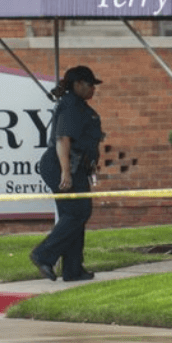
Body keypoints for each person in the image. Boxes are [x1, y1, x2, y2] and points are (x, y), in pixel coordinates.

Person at [30, 65, 104, 282]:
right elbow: (63, 139)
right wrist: (65, 172)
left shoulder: (78, 105)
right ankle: (43, 254)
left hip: (75, 167)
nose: (93, 89)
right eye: (90, 84)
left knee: (74, 215)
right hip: (62, 165)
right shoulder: (71, 105)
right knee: (77, 212)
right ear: (78, 84)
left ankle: (73, 269)